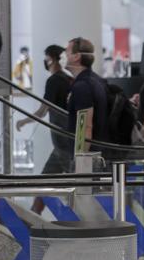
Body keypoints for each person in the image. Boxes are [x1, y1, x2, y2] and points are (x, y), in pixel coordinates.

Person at [17, 45, 74, 174]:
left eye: (46, 58)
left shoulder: (53, 81)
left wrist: (23, 121)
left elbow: (42, 111)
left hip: (61, 140)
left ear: (52, 59)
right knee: (47, 178)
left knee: (71, 177)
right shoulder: (69, 79)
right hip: (68, 137)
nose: (45, 61)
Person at [64, 38, 108, 149]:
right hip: (98, 151)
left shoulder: (82, 86)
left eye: (66, 52)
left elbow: (85, 127)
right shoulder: (95, 80)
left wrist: (80, 161)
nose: (63, 57)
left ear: (76, 56)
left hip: (88, 157)